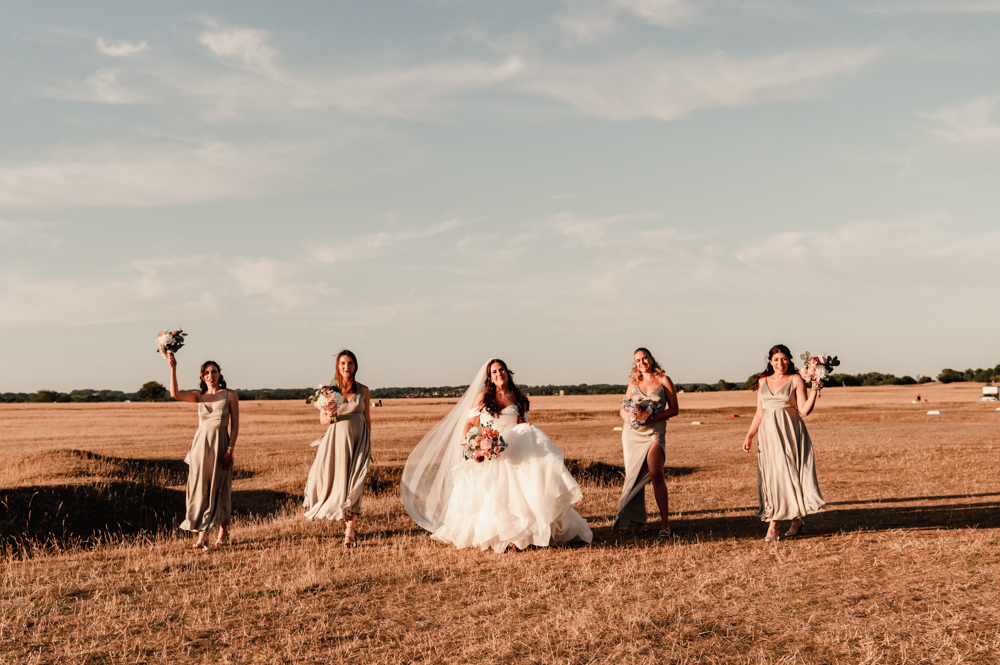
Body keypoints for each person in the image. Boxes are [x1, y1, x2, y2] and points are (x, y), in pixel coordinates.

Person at [401, 359, 593, 553]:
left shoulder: (518, 397)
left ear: (507, 372)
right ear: (490, 378)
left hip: (514, 448)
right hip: (489, 450)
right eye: (494, 372)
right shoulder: (483, 397)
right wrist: (474, 443)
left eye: (501, 370)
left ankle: (524, 537)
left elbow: (522, 426)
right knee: (493, 496)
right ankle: (500, 536)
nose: (498, 374)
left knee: (523, 492)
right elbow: (470, 424)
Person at [742, 344, 825, 542]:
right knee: (774, 477)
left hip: (790, 433)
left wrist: (815, 389)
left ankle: (774, 524)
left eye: (785, 359)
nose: (781, 363)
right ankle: (796, 520)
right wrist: (749, 435)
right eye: (777, 360)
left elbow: (804, 410)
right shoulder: (763, 381)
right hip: (768, 435)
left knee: (786, 475)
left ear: (790, 360)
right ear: (770, 362)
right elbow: (760, 413)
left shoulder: (795, 379)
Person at [167, 355, 238, 549]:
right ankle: (202, 535)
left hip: (222, 446)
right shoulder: (199, 396)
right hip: (200, 448)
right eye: (206, 372)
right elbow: (174, 394)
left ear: (219, 373)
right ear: (202, 376)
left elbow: (235, 426)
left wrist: (229, 450)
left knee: (221, 487)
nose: (210, 375)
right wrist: (173, 367)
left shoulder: (230, 394)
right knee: (200, 489)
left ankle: (223, 530)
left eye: (213, 371)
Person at [304, 350, 372, 547]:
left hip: (360, 441)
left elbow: (367, 420)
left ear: (355, 366)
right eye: (343, 363)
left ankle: (350, 529)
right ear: (338, 366)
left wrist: (370, 446)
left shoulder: (364, 390)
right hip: (336, 442)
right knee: (339, 483)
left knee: (356, 483)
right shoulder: (329, 392)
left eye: (350, 363)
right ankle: (342, 516)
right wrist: (329, 415)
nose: (346, 367)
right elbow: (323, 421)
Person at [613, 348, 679, 536]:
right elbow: (623, 407)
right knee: (635, 477)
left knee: (656, 474)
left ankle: (665, 523)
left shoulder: (664, 380)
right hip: (632, 435)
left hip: (654, 433)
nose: (642, 362)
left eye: (645, 358)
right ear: (635, 364)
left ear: (651, 359)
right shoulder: (634, 382)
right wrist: (629, 414)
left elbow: (674, 409)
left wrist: (652, 417)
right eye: (638, 360)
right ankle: (638, 522)